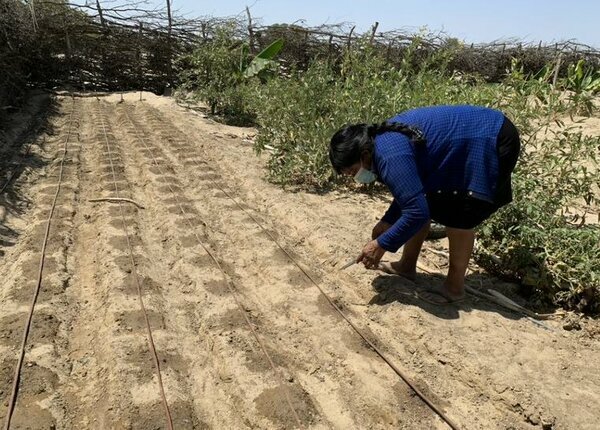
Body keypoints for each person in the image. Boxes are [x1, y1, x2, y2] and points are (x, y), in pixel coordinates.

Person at [329, 105, 520, 304]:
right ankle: (406, 266)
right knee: (428, 200)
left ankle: (454, 289)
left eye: (352, 171)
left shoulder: (389, 156)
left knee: (460, 213)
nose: (354, 177)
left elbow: (416, 212)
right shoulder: (381, 144)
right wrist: (387, 221)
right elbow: (410, 195)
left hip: (490, 138)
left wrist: (381, 244)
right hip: (473, 137)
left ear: (365, 155)